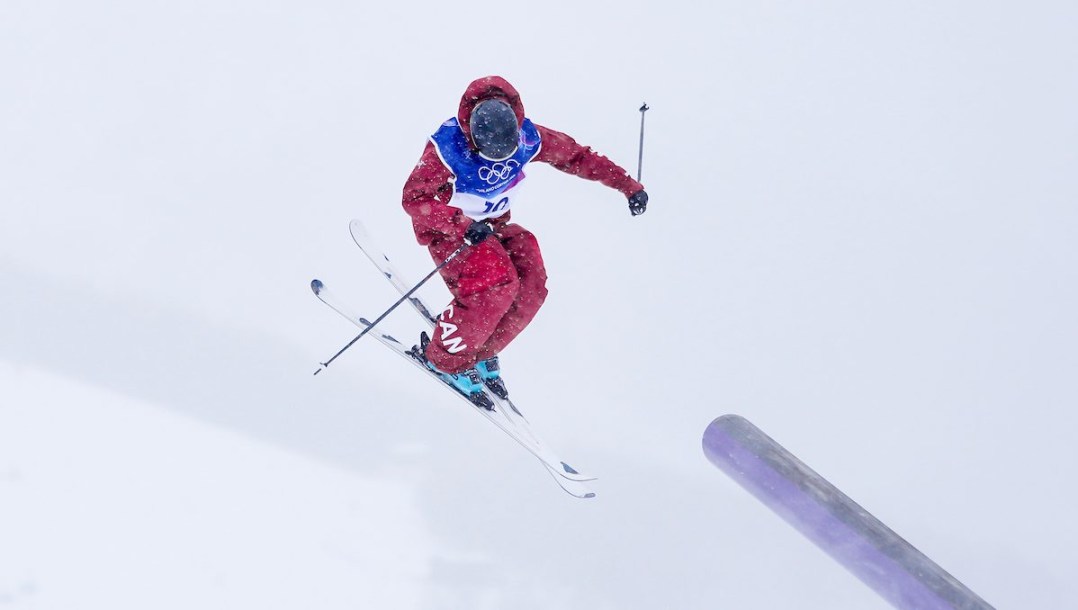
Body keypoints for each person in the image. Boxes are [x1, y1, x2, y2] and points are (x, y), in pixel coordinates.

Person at [402, 75, 648, 407]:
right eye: (490, 158)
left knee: (531, 281)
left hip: (492, 225)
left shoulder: (531, 137)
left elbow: (577, 157)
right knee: (495, 281)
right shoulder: (447, 148)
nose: (499, 165)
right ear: (473, 140)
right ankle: (443, 360)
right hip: (451, 233)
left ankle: (480, 349)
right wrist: (459, 224)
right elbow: (415, 199)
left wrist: (628, 186)